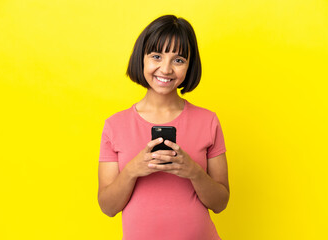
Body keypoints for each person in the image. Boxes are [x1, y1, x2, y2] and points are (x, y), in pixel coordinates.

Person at [98, 15, 230, 240]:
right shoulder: (115, 125)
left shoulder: (208, 121)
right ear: (142, 58)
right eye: (157, 56)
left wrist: (194, 172)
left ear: (190, 66)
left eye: (178, 60)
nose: (166, 69)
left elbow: (220, 203)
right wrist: (133, 170)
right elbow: (108, 207)